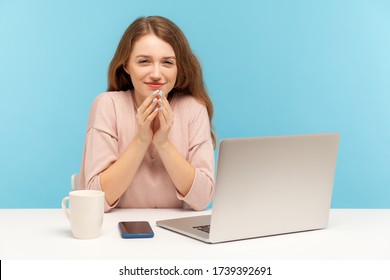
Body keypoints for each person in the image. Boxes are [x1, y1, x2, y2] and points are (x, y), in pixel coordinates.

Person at [79, 16, 216, 212]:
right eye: (144, 61)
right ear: (126, 65)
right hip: (115, 232)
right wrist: (142, 139)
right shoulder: (107, 105)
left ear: (179, 68)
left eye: (167, 63)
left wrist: (163, 142)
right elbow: (96, 201)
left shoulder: (193, 109)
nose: (156, 74)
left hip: (176, 235)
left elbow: (202, 199)